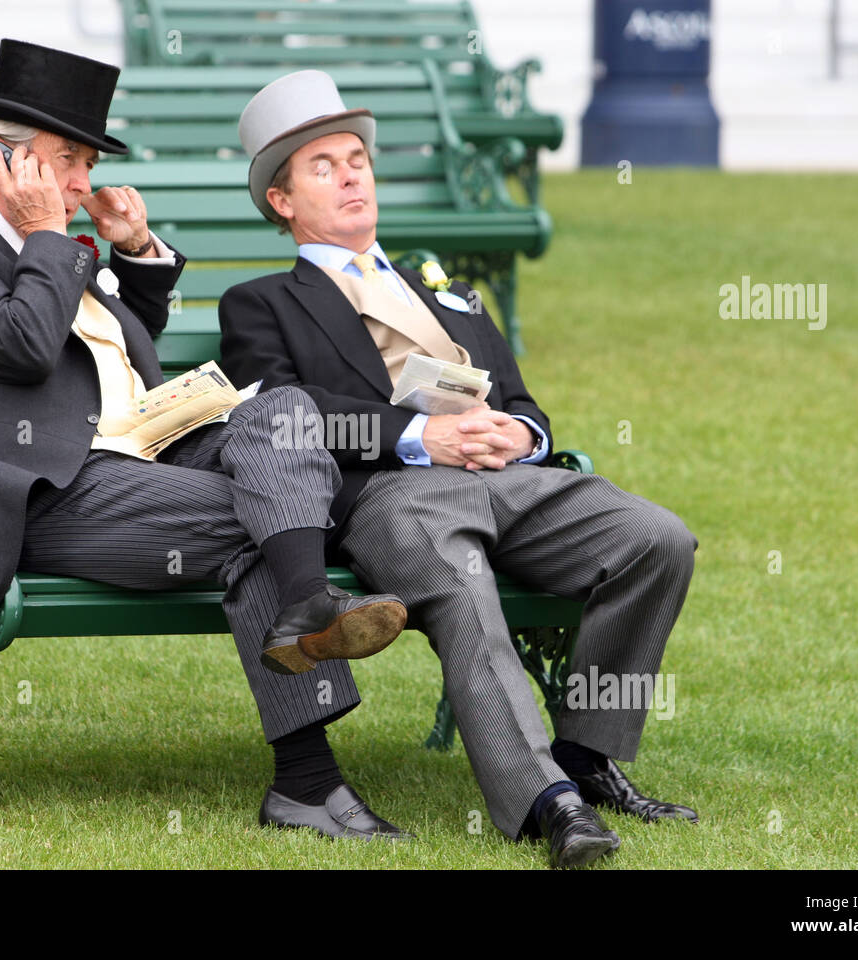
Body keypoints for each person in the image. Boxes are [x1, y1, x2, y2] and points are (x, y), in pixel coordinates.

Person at [0, 41, 411, 838]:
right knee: (272, 518)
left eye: (86, 161)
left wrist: (135, 258)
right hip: (48, 485)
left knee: (287, 411)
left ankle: (305, 612)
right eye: (68, 160)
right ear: (2, 155)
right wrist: (51, 236)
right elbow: (24, 342)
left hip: (148, 447)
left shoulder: (48, 238)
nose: (83, 184)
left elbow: (104, 347)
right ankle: (307, 774)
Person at [219, 70, 701, 867]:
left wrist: (520, 435)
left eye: (357, 161)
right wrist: (417, 438)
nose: (350, 176)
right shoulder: (262, 303)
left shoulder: (448, 294)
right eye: (323, 167)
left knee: (657, 539)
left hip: (512, 482)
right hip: (393, 496)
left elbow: (527, 407)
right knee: (460, 583)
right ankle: (550, 804)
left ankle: (587, 757)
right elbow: (285, 415)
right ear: (281, 201)